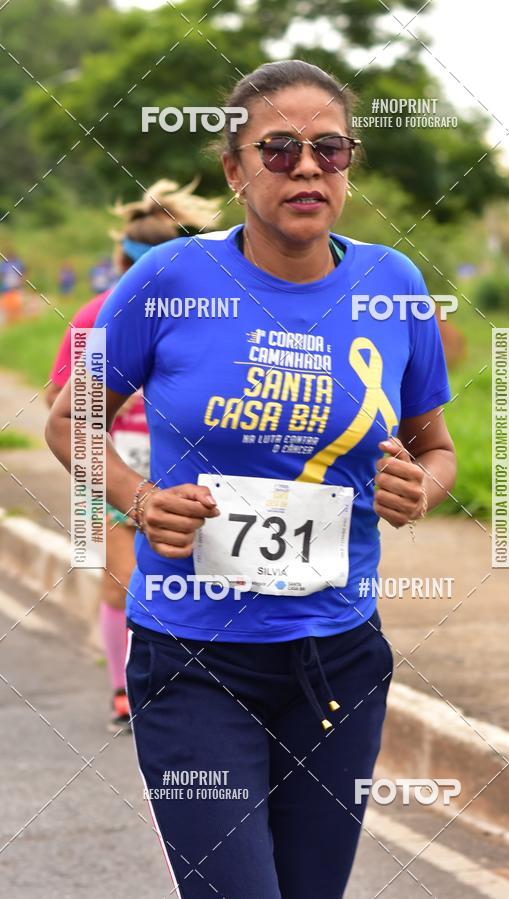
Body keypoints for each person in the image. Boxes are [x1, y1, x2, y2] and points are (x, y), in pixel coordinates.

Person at [47, 60, 456, 898]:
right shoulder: (169, 280)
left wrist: (423, 489)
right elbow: (68, 419)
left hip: (337, 664)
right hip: (193, 657)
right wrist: (141, 499)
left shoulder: (395, 286)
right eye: (277, 149)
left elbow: (435, 448)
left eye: (330, 149)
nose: (307, 167)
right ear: (235, 171)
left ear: (348, 167)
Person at [46, 179, 221, 732]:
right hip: (119, 464)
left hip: (185, 466)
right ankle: (128, 690)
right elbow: (62, 403)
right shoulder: (96, 314)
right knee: (125, 574)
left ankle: (182, 683)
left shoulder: (204, 309)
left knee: (164, 577)